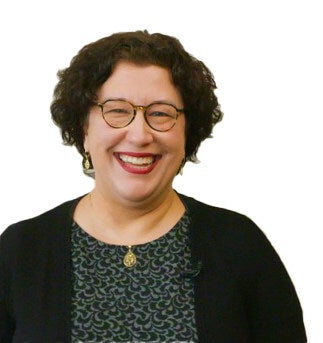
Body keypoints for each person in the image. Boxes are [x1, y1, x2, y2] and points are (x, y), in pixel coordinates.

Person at [0, 30, 306, 343]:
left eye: (160, 113)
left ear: (187, 133)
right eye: (117, 110)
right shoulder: (20, 250)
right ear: (84, 127)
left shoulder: (239, 245)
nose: (139, 135)